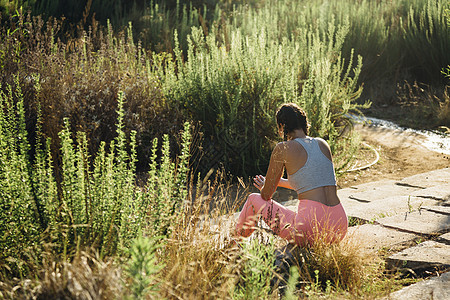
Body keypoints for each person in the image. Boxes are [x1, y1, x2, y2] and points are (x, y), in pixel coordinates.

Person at [234, 103, 347, 246]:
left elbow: (266, 196)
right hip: (339, 226)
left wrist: (266, 187)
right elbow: (313, 183)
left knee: (252, 199)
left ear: (282, 126)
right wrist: (279, 181)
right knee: (296, 213)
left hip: (310, 231)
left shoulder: (283, 148)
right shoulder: (322, 144)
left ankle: (234, 245)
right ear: (304, 123)